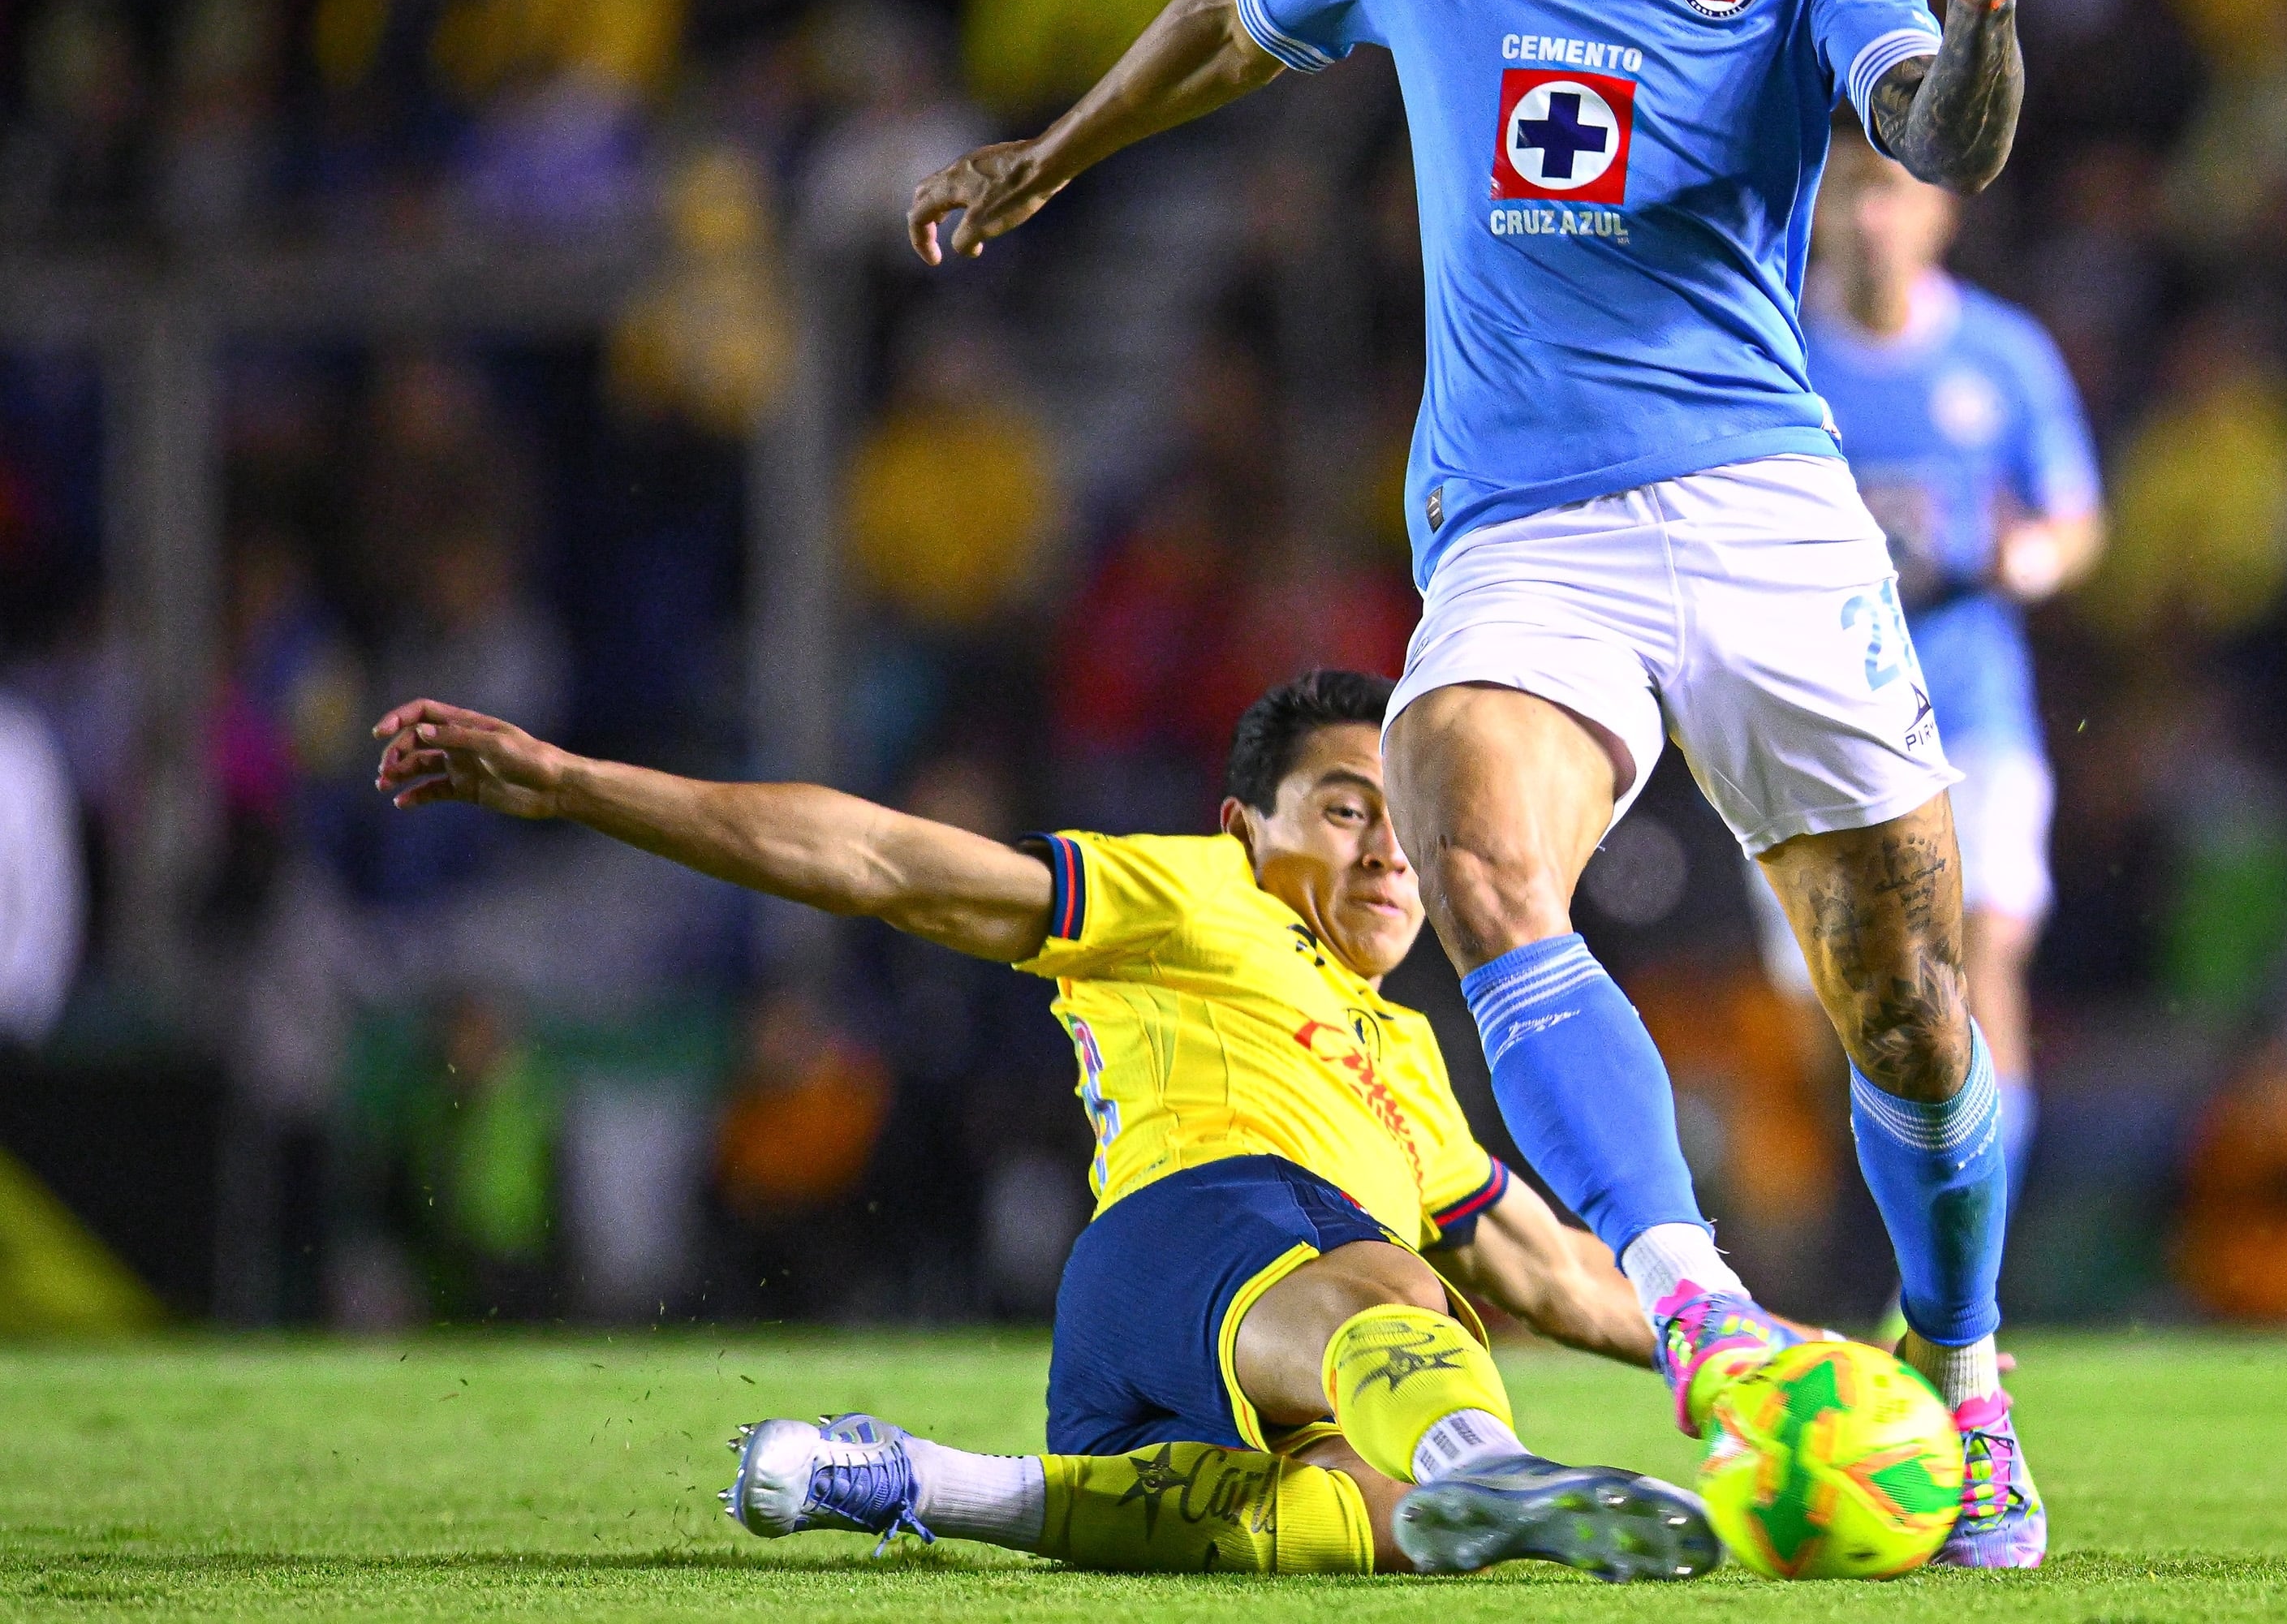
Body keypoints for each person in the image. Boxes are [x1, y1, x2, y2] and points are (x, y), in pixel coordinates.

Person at [906, 0, 2048, 1564]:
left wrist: (1974, 15)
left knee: (1913, 1012)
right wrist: (1044, 156)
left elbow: (1938, 142)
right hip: (1522, 528)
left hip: (1768, 509)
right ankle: (1699, 1320)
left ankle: (1958, 1369)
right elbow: (1220, 27)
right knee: (1479, 842)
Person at [371, 670, 1718, 1581]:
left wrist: (1770, 1360)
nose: (1386, 855)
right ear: (1247, 825)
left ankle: (924, 1480)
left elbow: (1553, 1274)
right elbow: (888, 864)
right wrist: (580, 786)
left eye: (1408, 826)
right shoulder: (1203, 897)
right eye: (1348, 810)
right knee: (1398, 1287)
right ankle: (1500, 1468)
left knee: (1360, 1518)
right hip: (1209, 1231)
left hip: (1161, 1368)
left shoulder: (1412, 1062)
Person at [1798, 125, 2101, 1206]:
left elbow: (2077, 519)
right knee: (1851, 1007)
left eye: (1886, 192)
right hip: (1819, 726)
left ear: (1940, 213)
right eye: (1844, 195)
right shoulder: (1778, 345)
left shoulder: (2003, 356)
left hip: (1973, 712)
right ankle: (1879, 1233)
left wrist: (2033, 556)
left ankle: (1981, 1252)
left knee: (1983, 961)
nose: (1866, 218)